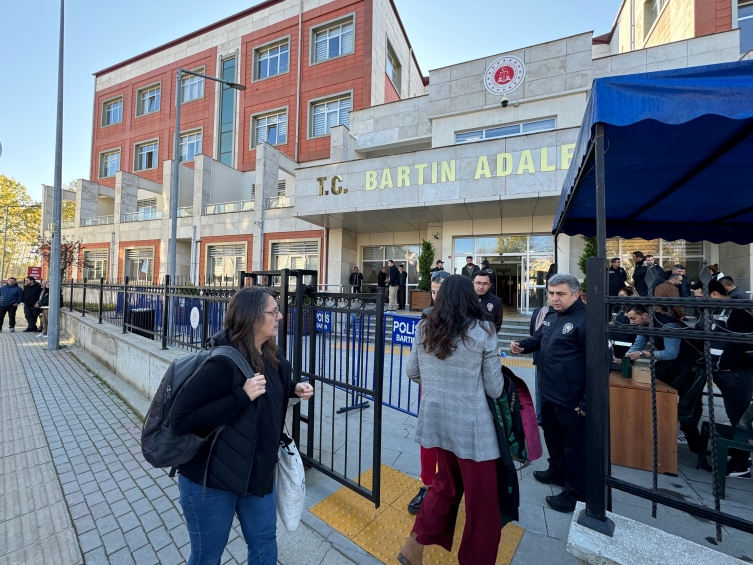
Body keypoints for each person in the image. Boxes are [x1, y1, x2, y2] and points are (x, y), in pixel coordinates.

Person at [170, 286, 314, 565]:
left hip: (256, 475)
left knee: (264, 546)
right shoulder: (222, 362)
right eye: (273, 312)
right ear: (252, 318)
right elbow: (181, 419)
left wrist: (294, 388)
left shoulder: (273, 356)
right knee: (207, 556)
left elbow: (271, 391)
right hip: (211, 480)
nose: (280, 317)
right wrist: (240, 396)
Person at [398, 275, 505, 565]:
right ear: (471, 297)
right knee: (483, 505)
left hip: (437, 422)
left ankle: (413, 545)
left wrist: (434, 385)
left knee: (444, 486)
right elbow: (494, 388)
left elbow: (412, 372)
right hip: (473, 430)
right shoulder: (484, 331)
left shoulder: (424, 327)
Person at [510, 274, 587, 513]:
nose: (554, 298)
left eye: (560, 294)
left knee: (574, 446)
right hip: (548, 391)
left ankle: (576, 493)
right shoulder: (552, 314)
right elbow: (540, 339)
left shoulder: (585, 320)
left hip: (572, 398)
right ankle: (557, 471)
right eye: (551, 293)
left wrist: (586, 400)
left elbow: (598, 364)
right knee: (552, 435)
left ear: (576, 294)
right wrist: (523, 345)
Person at [694, 280, 753, 478]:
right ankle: (739, 454)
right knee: (734, 414)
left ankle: (741, 464)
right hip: (724, 370)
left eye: (700, 296)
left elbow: (740, 341)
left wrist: (724, 364)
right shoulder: (720, 310)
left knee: (739, 417)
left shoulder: (737, 310)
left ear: (714, 294)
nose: (697, 301)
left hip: (735, 372)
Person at [406, 271, 448, 516]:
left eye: (440, 292)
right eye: (433, 292)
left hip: (459, 397)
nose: (436, 297)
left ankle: (449, 484)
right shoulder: (426, 318)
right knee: (428, 440)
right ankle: (427, 484)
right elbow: (414, 368)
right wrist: (431, 382)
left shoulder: (471, 320)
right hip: (430, 391)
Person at [623, 305, 701, 383]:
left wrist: (643, 354)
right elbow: (638, 345)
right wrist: (625, 358)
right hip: (672, 364)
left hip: (690, 365)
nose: (631, 322)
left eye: (633, 318)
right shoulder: (643, 324)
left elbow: (671, 354)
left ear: (645, 315)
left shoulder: (668, 326)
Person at [529, 301, 551, 425]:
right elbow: (533, 334)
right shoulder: (537, 312)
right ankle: (539, 415)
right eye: (551, 293)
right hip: (539, 355)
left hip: (554, 358)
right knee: (539, 387)